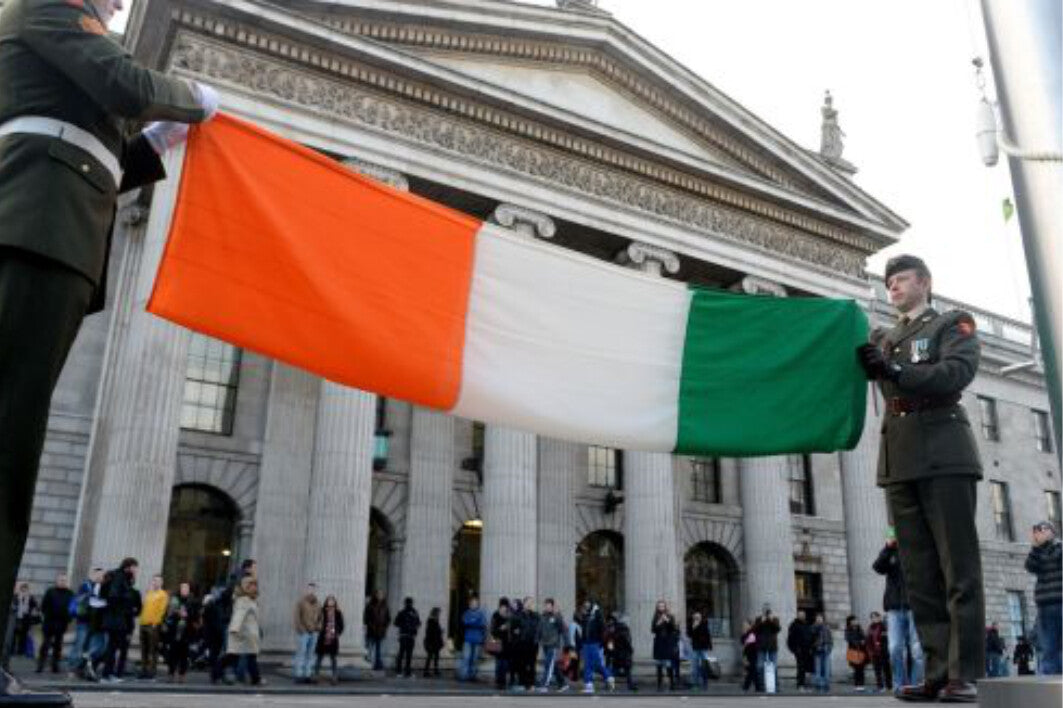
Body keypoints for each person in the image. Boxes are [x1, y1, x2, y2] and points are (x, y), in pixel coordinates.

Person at [0, 0, 218, 699]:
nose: (121, 3)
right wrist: (194, 100)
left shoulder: (69, 56)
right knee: (5, 445)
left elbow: (108, 158)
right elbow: (124, 83)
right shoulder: (48, 8)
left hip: (55, 235)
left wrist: (156, 142)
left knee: (13, 452)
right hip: (32, 227)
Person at [857, 254, 985, 703]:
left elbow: (956, 372)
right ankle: (935, 671)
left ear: (925, 283)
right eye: (888, 281)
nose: (892, 286)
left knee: (958, 568)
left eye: (902, 279)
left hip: (944, 451)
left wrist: (894, 370)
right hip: (900, 458)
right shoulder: (886, 338)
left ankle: (962, 673)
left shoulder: (951, 324)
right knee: (920, 575)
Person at [873, 528, 925, 692]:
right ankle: (900, 685)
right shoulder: (891, 552)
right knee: (894, 648)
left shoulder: (918, 550)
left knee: (916, 649)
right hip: (895, 607)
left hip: (915, 606)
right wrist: (888, 548)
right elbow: (877, 567)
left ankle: (916, 685)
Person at [1025, 520, 1061, 675]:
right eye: (1037, 530)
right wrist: (1035, 547)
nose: (1040, 532)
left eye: (1043, 529)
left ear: (1052, 532)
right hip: (1045, 604)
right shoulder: (1038, 552)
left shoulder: (1059, 547)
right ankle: (1049, 679)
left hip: (1060, 601)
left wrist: (1048, 544)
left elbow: (1056, 557)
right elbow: (1030, 566)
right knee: (1048, 646)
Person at [98, 559, 138, 684]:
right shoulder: (119, 577)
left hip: (115, 617)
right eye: (135, 567)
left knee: (113, 647)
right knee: (112, 647)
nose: (136, 570)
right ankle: (106, 675)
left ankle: (108, 674)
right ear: (128, 567)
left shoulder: (120, 576)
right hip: (116, 618)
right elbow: (113, 596)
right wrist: (123, 605)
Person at [226, 576, 263, 686]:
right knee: (241, 656)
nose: (254, 588)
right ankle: (253, 678)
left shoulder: (252, 600)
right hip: (244, 633)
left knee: (241, 656)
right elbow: (239, 615)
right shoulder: (243, 600)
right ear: (246, 587)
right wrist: (234, 629)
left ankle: (253, 678)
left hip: (250, 633)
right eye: (252, 586)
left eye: (255, 585)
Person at [65, 569, 100, 679]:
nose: (99, 577)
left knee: (87, 647)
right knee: (79, 645)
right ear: (92, 575)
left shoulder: (98, 587)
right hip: (83, 621)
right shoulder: (85, 586)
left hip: (93, 622)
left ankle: (80, 668)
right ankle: (72, 668)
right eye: (97, 574)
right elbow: (80, 600)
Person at [36, 575, 72, 675]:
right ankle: (40, 665)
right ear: (56, 581)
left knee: (58, 645)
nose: (63, 582)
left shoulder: (70, 593)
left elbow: (72, 607)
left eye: (65, 580)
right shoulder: (50, 591)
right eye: (61, 580)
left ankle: (55, 666)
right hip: (49, 622)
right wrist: (46, 615)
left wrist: (68, 619)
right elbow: (43, 605)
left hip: (61, 623)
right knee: (45, 644)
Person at [162, 581, 196, 684]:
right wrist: (177, 614)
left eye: (186, 588)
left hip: (187, 632)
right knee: (173, 655)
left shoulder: (192, 601)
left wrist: (188, 615)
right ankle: (171, 674)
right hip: (174, 631)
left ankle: (182, 675)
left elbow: (195, 616)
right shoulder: (174, 600)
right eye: (182, 588)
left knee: (184, 656)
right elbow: (168, 615)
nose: (184, 590)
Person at [136, 575, 167, 680]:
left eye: (158, 581)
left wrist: (156, 622)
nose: (156, 583)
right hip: (143, 623)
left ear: (162, 583)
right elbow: (143, 606)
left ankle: (152, 671)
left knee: (152, 649)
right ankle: (144, 669)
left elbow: (161, 610)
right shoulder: (149, 593)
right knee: (144, 648)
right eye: (154, 581)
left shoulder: (163, 594)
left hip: (153, 625)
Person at [579, 599, 612, 694]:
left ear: (592, 603)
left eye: (588, 602)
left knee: (594, 663)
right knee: (589, 663)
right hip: (586, 642)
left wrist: (601, 642)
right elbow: (583, 627)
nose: (586, 604)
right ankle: (591, 683)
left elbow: (603, 628)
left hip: (594, 642)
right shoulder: (587, 614)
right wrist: (583, 615)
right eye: (585, 603)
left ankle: (606, 677)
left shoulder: (597, 613)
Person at [291, 583, 321, 684]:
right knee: (301, 652)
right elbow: (297, 616)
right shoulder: (301, 602)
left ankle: (308, 674)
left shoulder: (318, 603)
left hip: (314, 632)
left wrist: (318, 627)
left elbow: (321, 617)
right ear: (306, 590)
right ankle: (298, 674)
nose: (312, 591)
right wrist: (301, 629)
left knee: (310, 654)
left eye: (313, 589)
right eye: (310, 589)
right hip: (304, 632)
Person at [535, 598, 566, 692]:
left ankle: (544, 684)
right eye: (546, 605)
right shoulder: (543, 616)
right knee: (553, 664)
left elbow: (562, 629)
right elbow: (539, 629)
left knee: (548, 664)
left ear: (552, 606)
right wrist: (537, 639)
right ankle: (562, 683)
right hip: (545, 643)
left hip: (553, 644)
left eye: (549, 605)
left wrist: (557, 615)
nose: (547, 607)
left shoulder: (557, 616)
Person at [314, 596, 344, 685]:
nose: (330, 602)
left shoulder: (338, 612)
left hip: (333, 638)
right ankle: (316, 675)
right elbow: (317, 621)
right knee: (319, 657)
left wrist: (337, 632)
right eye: (329, 601)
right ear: (326, 602)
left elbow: (341, 625)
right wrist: (319, 629)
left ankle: (334, 676)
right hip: (323, 637)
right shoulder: (322, 611)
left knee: (333, 658)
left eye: (332, 601)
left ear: (335, 602)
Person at [650, 600, 678, 692]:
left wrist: (667, 620)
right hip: (659, 643)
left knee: (668, 665)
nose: (661, 608)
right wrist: (658, 622)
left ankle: (672, 684)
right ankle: (659, 685)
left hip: (667, 643)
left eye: (662, 606)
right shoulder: (655, 617)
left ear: (665, 607)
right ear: (657, 608)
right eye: (659, 606)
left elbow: (674, 628)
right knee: (659, 665)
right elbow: (653, 630)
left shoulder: (670, 616)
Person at [604, 612, 635, 692]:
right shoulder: (624, 628)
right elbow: (627, 641)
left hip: (616, 652)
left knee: (615, 669)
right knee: (627, 670)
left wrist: (610, 651)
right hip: (624, 652)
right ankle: (630, 685)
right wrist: (630, 649)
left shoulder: (612, 628)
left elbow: (610, 642)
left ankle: (609, 685)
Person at [753, 605, 781, 693]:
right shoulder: (759, 619)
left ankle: (775, 686)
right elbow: (754, 630)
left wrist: (771, 620)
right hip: (761, 646)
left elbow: (778, 629)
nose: (766, 613)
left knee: (774, 666)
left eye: (768, 611)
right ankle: (761, 686)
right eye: (765, 611)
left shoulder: (774, 619)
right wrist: (762, 621)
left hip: (772, 646)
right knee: (760, 666)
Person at [459, 596, 486, 682]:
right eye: (472, 603)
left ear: (477, 605)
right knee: (466, 658)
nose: (474, 605)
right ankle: (465, 675)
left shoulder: (481, 614)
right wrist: (475, 622)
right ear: (470, 604)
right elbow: (465, 623)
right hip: (468, 639)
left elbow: (482, 624)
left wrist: (472, 622)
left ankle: (473, 675)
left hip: (477, 639)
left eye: (475, 603)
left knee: (475, 658)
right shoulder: (466, 613)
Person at [393, 596, 420, 678]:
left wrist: (414, 626)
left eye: (410, 603)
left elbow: (418, 622)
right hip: (405, 635)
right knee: (403, 653)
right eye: (409, 603)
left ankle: (405, 671)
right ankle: (400, 670)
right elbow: (396, 623)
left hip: (409, 635)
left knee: (407, 654)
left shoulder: (413, 612)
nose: (410, 604)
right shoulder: (403, 612)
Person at [787, 610, 814, 692]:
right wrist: (794, 649)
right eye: (800, 615)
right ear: (797, 616)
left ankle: (806, 685)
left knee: (807, 668)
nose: (802, 616)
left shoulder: (807, 624)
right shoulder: (794, 625)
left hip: (807, 649)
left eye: (803, 615)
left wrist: (811, 646)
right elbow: (790, 639)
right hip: (799, 650)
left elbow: (811, 636)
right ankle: (800, 684)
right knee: (801, 667)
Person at [362, 590, 390, 672]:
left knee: (379, 649)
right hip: (371, 630)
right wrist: (370, 626)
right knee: (369, 648)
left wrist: (385, 627)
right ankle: (368, 663)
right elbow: (366, 618)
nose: (380, 596)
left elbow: (388, 618)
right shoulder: (370, 605)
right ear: (375, 595)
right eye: (378, 594)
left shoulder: (385, 606)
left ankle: (378, 664)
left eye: (382, 594)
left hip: (381, 631)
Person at [10, 584, 38, 660]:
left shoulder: (31, 598)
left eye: (25, 590)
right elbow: (13, 605)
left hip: (26, 620)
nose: (24, 591)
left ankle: (20, 652)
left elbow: (35, 607)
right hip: (16, 619)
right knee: (13, 636)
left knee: (23, 636)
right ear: (20, 590)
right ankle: (11, 651)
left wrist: (32, 611)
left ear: (27, 590)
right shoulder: (16, 597)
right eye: (22, 590)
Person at [489, 598, 512, 690]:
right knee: (499, 662)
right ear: (499, 606)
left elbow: (512, 627)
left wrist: (508, 627)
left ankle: (503, 681)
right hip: (498, 641)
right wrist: (500, 628)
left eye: (505, 606)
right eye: (502, 606)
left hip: (507, 643)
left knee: (505, 663)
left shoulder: (509, 616)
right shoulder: (495, 615)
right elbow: (492, 629)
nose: (504, 608)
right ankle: (498, 681)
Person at [687, 611, 713, 691]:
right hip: (695, 647)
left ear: (701, 618)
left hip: (703, 647)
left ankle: (705, 683)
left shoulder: (704, 624)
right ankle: (695, 683)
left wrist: (710, 646)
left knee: (704, 665)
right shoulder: (691, 625)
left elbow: (708, 635)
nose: (697, 618)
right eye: (695, 617)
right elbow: (689, 635)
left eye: (698, 617)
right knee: (695, 666)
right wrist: (694, 627)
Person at [866, 611, 891, 692]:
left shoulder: (883, 626)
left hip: (883, 652)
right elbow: (868, 639)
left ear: (879, 617)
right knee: (877, 670)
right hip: (874, 652)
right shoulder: (870, 627)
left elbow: (886, 638)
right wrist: (870, 649)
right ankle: (880, 686)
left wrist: (880, 643)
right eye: (872, 617)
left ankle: (889, 686)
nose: (874, 619)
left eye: (876, 617)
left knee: (886, 669)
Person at [811, 613, 833, 694]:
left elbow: (830, 638)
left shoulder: (827, 628)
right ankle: (819, 684)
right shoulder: (813, 627)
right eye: (818, 618)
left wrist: (830, 647)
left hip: (826, 649)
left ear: (823, 619)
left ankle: (826, 683)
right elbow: (811, 638)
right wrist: (814, 646)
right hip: (817, 650)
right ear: (816, 619)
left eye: (820, 618)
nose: (819, 619)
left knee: (826, 668)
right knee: (818, 668)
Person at [845, 615, 868, 691]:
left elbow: (864, 637)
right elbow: (849, 639)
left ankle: (861, 684)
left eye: (856, 620)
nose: (856, 622)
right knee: (856, 668)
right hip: (853, 651)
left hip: (861, 651)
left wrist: (863, 641)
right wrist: (858, 642)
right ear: (850, 622)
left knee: (861, 668)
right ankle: (857, 684)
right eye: (854, 620)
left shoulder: (860, 629)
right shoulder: (848, 630)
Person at [422, 607, 443, 678]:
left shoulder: (435, 621)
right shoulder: (431, 621)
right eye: (438, 613)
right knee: (430, 656)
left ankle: (434, 670)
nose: (439, 614)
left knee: (435, 656)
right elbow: (430, 632)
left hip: (435, 641)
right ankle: (426, 671)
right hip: (432, 642)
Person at [740, 620, 758, 692]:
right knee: (752, 671)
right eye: (743, 626)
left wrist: (744, 656)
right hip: (748, 654)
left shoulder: (752, 633)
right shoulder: (746, 633)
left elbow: (746, 644)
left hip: (752, 654)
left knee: (751, 670)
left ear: (750, 625)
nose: (743, 627)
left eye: (745, 625)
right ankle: (758, 686)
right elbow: (743, 641)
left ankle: (746, 686)